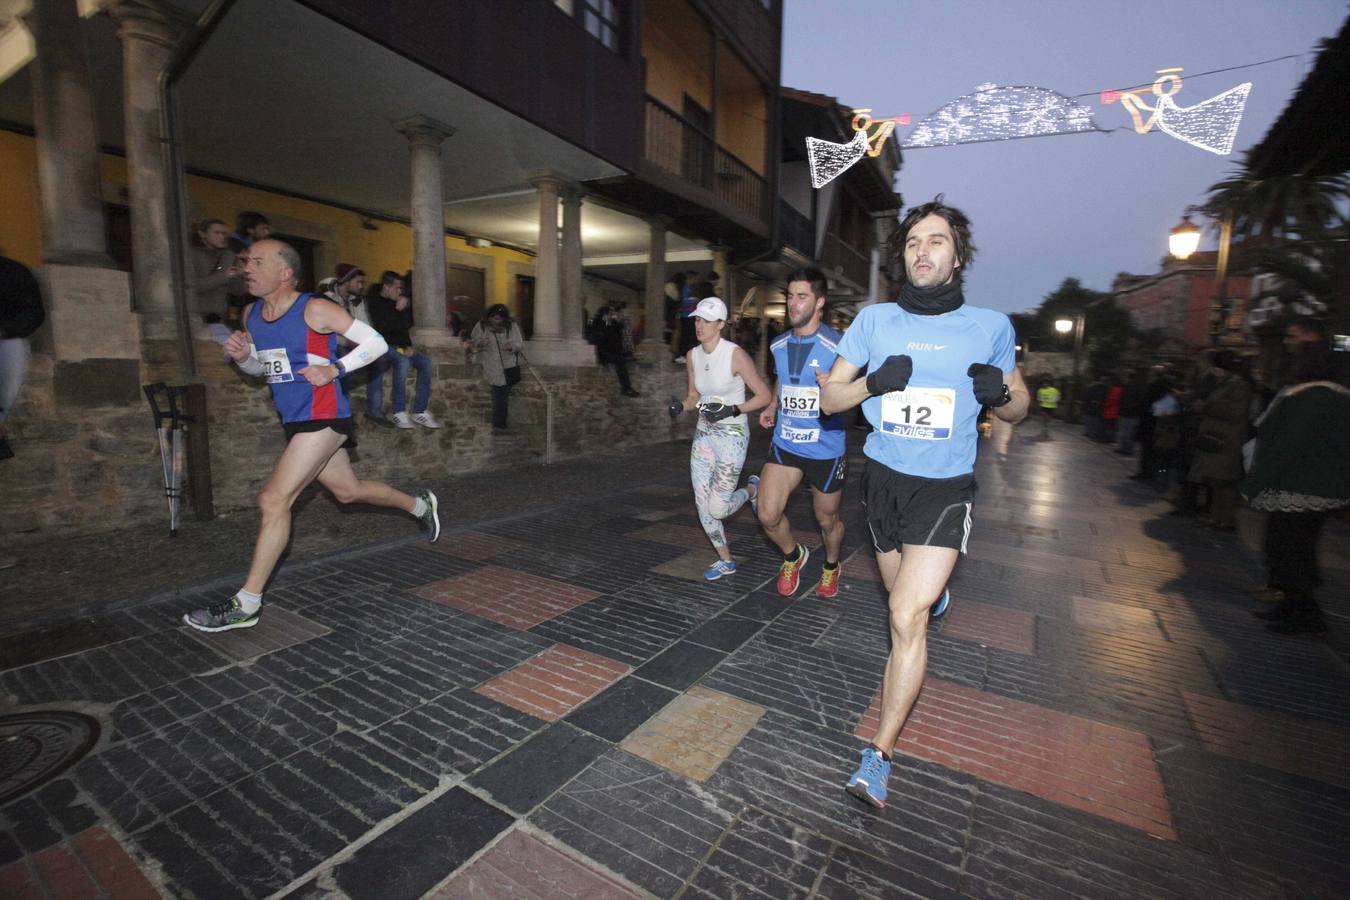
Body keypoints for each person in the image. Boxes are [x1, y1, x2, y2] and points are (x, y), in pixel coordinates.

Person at [819, 197, 1029, 809]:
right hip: (883, 484)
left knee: (905, 617)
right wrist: (870, 385)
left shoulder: (990, 327)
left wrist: (1002, 394)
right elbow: (828, 400)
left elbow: (1019, 405)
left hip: (945, 488)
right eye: (913, 242)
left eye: (936, 241)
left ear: (957, 256)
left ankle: (878, 754)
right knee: (902, 599)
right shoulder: (874, 321)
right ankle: (932, 594)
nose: (922, 251)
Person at [183, 239, 441, 632]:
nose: (246, 267)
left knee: (273, 499)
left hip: (324, 414)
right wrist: (242, 358)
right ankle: (420, 505)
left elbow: (376, 343)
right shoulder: (252, 313)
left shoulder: (315, 308)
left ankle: (247, 603)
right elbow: (262, 370)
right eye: (246, 260)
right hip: (294, 418)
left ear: (285, 272)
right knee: (348, 492)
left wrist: (334, 369)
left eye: (256, 261)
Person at [749, 267, 848, 598]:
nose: (793, 303)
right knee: (767, 512)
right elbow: (783, 379)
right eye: (789, 296)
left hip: (825, 448)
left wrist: (835, 387)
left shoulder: (839, 347)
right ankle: (794, 556)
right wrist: (774, 406)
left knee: (827, 521)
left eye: (801, 296)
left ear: (820, 302)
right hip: (786, 442)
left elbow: (855, 395)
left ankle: (832, 565)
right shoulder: (778, 344)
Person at [1245, 346, 1350, 636]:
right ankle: (1293, 607)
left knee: (1287, 549)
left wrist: (1253, 484)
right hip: (1318, 488)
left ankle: (1307, 616)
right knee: (1296, 547)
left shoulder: (1310, 398)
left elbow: (1285, 445)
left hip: (1299, 486)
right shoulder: (1338, 398)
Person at [667, 296, 772, 580]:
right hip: (704, 435)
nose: (699, 325)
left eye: (706, 320)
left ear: (721, 324)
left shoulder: (735, 355)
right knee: (703, 506)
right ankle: (726, 560)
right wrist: (682, 406)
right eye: (697, 319)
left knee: (719, 508)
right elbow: (694, 396)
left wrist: (733, 408)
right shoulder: (692, 355)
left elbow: (764, 396)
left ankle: (752, 489)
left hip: (732, 436)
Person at [366, 271, 441, 430]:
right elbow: (384, 329)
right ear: (386, 287)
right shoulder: (374, 302)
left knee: (425, 362)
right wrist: (398, 312)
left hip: (400, 346)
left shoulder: (399, 302)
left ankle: (419, 411)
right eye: (397, 288)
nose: (400, 292)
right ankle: (399, 411)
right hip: (383, 345)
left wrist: (408, 346)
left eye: (401, 289)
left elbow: (405, 327)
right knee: (403, 362)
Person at [1186, 351, 1251, 530]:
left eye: (1217, 367)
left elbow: (1236, 413)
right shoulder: (1221, 383)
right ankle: (1215, 517)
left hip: (1227, 440)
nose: (1215, 371)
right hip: (1215, 437)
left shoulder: (1238, 386)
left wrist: (1205, 407)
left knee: (1225, 482)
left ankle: (1226, 520)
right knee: (1215, 480)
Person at [0, 254, 44, 462]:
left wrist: (4, 330)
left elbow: (32, 313)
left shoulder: (12, 272)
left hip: (5, 338)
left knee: (13, 352)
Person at [467, 303, 524, 431]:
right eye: (493, 317)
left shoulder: (511, 326)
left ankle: (499, 424)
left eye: (499, 318)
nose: (495, 320)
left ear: (504, 318)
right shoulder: (482, 326)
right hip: (488, 365)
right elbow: (473, 341)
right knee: (495, 395)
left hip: (507, 366)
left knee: (502, 395)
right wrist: (481, 342)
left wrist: (511, 346)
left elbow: (519, 344)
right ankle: (497, 425)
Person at [189, 219, 242, 322]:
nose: (221, 237)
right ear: (202, 234)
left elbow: (238, 291)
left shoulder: (228, 255)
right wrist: (225, 276)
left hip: (219, 315)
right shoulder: (191, 255)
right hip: (197, 315)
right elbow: (191, 286)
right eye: (216, 233)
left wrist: (240, 275)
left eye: (224, 234)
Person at [591, 305, 641, 397]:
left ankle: (627, 387)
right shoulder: (598, 322)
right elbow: (602, 338)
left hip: (615, 351)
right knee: (620, 362)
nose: (612, 315)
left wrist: (617, 320)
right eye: (610, 314)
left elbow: (619, 328)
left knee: (624, 359)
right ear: (605, 314)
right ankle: (626, 388)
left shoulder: (611, 323)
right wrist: (608, 323)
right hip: (604, 353)